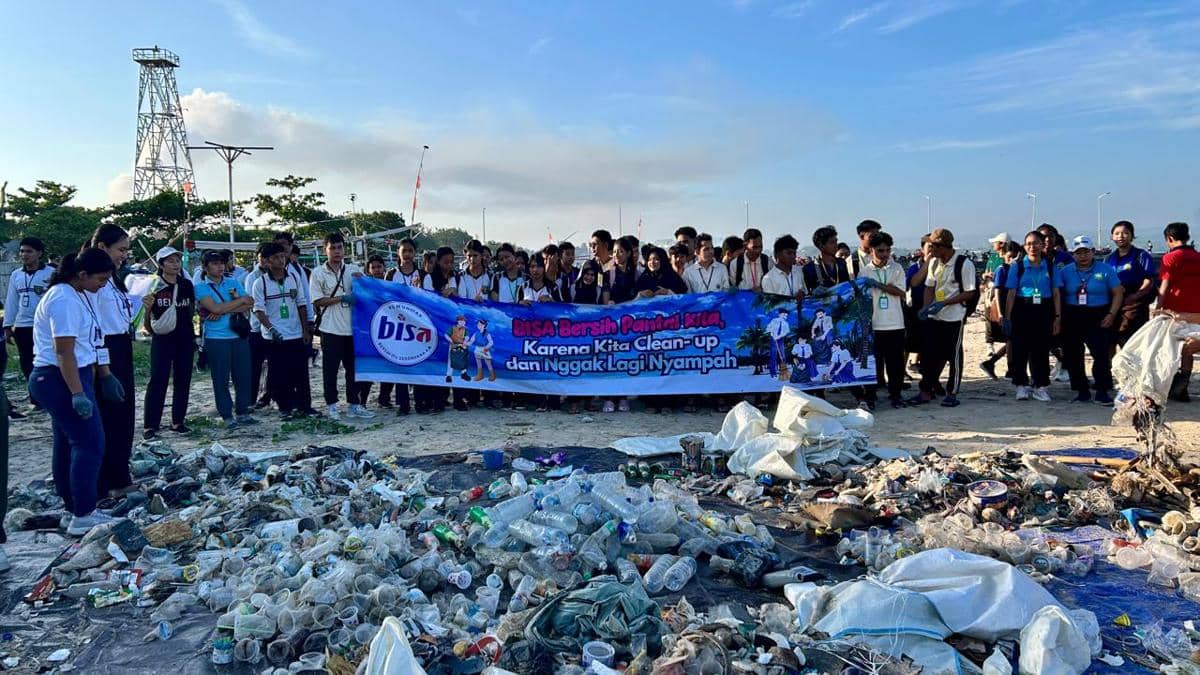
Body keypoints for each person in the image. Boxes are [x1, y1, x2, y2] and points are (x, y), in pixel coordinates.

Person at [29, 248, 117, 535]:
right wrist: (77, 393)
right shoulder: (63, 299)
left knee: (68, 443)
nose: (102, 285)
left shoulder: (78, 294)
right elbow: (64, 351)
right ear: (82, 274)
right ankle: (83, 514)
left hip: (71, 375)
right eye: (100, 279)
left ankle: (72, 508)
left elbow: (89, 340)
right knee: (90, 443)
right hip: (60, 378)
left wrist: (103, 374)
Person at [90, 224, 137, 499]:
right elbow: (95, 325)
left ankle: (120, 475)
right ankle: (108, 481)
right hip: (105, 348)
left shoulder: (114, 279)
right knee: (110, 415)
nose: (124, 255)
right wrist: (104, 368)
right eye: (120, 249)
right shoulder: (93, 282)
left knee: (124, 414)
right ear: (102, 247)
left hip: (121, 344)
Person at [909, 228, 977, 408]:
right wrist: (926, 307)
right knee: (929, 354)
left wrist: (945, 303)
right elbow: (929, 287)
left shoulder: (964, 264)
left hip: (955, 317)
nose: (930, 251)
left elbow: (969, 292)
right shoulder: (934, 262)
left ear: (942, 247)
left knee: (953, 355)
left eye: (933, 247)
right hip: (935, 316)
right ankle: (925, 390)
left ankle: (952, 392)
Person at [310, 233, 373, 420]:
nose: (337, 251)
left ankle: (354, 404)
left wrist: (363, 283)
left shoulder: (353, 269)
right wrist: (341, 298)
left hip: (352, 329)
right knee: (330, 370)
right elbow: (317, 301)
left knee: (353, 369)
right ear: (325, 250)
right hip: (330, 329)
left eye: (340, 247)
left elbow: (367, 292)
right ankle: (332, 406)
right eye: (333, 248)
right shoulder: (318, 273)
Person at [194, 250, 259, 428]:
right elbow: (215, 308)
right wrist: (237, 303)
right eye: (215, 264)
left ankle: (243, 411)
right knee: (221, 378)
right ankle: (226, 414)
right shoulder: (201, 287)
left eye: (222, 263)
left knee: (243, 376)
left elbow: (249, 303)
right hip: (216, 338)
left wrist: (223, 309)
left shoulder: (232, 281)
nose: (220, 267)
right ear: (205, 267)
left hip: (238, 335)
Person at [1059, 235, 1123, 404]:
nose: (1083, 256)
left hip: (1098, 314)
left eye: (1086, 252)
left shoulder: (1105, 269)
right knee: (1073, 355)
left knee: (1101, 354)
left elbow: (1118, 293)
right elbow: (1058, 294)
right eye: (1078, 253)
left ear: (1093, 252)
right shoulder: (1065, 272)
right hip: (1072, 314)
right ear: (1073, 254)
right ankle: (1082, 391)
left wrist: (1111, 314)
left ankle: (1102, 390)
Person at [253, 242, 314, 419]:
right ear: (267, 261)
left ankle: (305, 406)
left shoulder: (293, 278)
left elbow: (301, 303)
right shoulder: (260, 283)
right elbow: (259, 310)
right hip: (275, 336)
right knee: (279, 373)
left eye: (282, 256)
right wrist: (272, 329)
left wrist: (305, 329)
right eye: (276, 257)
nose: (281, 260)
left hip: (295, 333)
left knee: (301, 372)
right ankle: (284, 408)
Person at [141, 246, 196, 439]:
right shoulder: (154, 285)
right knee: (158, 380)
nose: (175, 264)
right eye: (170, 261)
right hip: (162, 339)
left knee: (183, 379)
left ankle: (178, 421)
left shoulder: (186, 285)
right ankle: (150, 425)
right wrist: (148, 313)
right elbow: (147, 320)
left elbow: (191, 310)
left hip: (185, 337)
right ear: (161, 264)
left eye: (177, 260)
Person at [1003, 230, 1061, 402]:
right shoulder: (1018, 266)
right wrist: (1007, 317)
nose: (1032, 247)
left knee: (1041, 350)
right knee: (1019, 349)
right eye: (1028, 244)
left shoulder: (1050, 266)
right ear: (1024, 246)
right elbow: (1011, 293)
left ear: (1043, 245)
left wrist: (1058, 317)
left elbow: (1056, 292)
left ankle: (1040, 386)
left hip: (1044, 309)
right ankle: (1021, 385)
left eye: (1036, 243)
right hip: (1022, 308)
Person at [858, 231, 907, 408]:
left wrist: (880, 286)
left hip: (895, 323)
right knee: (874, 363)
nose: (884, 254)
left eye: (887, 250)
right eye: (880, 250)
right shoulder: (865, 271)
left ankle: (896, 395)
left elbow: (901, 292)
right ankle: (870, 396)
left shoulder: (897, 268)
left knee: (895, 363)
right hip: (874, 324)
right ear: (871, 250)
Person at [4, 237, 53, 414]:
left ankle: (51, 397)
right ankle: (36, 400)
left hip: (44, 326)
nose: (24, 255)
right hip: (22, 326)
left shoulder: (51, 273)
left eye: (29, 251)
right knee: (27, 363)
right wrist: (8, 325)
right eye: (22, 251)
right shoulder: (16, 275)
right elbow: (11, 301)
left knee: (46, 362)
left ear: (39, 253)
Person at [1158, 222, 1200, 402]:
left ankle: (1174, 386)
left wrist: (1158, 308)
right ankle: (1183, 386)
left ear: (1169, 238)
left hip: (1174, 309)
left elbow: (1164, 285)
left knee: (1172, 347)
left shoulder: (1170, 258)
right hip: (1196, 310)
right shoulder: (1197, 256)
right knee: (1188, 349)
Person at [379, 238, 421, 414]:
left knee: (417, 363)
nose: (407, 254)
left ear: (415, 253)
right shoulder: (391, 274)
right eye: (404, 251)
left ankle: (420, 402)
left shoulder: (422, 274)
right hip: (397, 327)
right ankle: (403, 404)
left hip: (417, 327)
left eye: (411, 251)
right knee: (400, 363)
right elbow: (384, 298)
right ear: (398, 253)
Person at [417, 247, 458, 414]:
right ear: (438, 261)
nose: (449, 265)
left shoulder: (454, 277)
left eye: (451, 262)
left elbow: (457, 294)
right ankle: (425, 400)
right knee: (429, 362)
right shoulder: (429, 278)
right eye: (445, 262)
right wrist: (443, 294)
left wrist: (452, 291)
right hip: (430, 324)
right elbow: (429, 300)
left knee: (443, 362)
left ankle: (440, 399)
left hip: (447, 326)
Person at [1105, 221, 1157, 348]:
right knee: (1109, 338)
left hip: (1134, 303)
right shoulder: (1109, 258)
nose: (1121, 236)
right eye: (1117, 233)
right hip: (1113, 301)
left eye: (1125, 233)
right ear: (1112, 237)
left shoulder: (1141, 255)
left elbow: (1148, 280)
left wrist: (1135, 296)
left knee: (1129, 338)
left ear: (1132, 236)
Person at [981, 241, 1021, 379]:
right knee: (1011, 338)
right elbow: (997, 291)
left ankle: (993, 363)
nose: (1012, 259)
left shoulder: (1018, 268)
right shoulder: (1002, 269)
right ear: (1004, 255)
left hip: (1016, 305)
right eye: (1009, 257)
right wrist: (1000, 312)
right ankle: (1008, 367)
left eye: (1015, 257)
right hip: (1004, 305)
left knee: (1013, 338)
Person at [245, 244, 274, 410]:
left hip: (274, 326)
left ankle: (267, 397)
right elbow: (253, 302)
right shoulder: (252, 277)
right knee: (254, 366)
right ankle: (250, 399)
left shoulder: (279, 275)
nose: (264, 260)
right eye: (262, 257)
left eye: (267, 257)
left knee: (273, 366)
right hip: (257, 328)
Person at [905, 235, 934, 377]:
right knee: (908, 342)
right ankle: (903, 369)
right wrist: (928, 263)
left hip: (934, 308)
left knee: (929, 342)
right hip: (915, 307)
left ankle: (922, 366)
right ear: (922, 249)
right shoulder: (914, 267)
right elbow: (913, 282)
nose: (933, 250)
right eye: (930, 247)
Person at [802, 227, 851, 293]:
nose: (836, 245)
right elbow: (807, 293)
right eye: (831, 242)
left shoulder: (841, 263)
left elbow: (847, 285)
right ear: (821, 246)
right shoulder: (810, 269)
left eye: (836, 241)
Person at [762, 235, 807, 301]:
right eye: (789, 253)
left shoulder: (798, 271)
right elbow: (770, 303)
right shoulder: (768, 278)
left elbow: (805, 292)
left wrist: (802, 294)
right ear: (777, 254)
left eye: (794, 253)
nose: (793, 256)